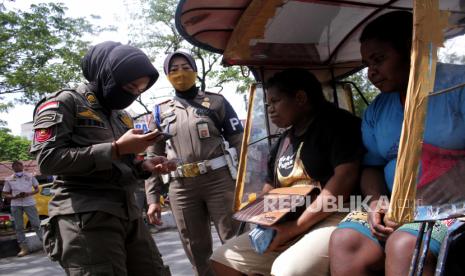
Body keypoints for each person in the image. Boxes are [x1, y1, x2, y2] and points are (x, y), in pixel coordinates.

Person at [329, 11, 465, 276]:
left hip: (455, 207)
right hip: (396, 205)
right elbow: (372, 166)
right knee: (345, 240)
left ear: (411, 49)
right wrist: (378, 202)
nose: (371, 73)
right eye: (367, 63)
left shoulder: (457, 87)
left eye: (379, 60)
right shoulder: (378, 110)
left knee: (405, 246)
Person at [30, 41, 176, 276]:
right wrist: (116, 148)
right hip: (86, 217)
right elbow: (48, 160)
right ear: (107, 74)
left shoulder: (122, 117)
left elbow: (123, 163)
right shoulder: (65, 103)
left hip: (128, 213)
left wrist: (145, 166)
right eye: (129, 86)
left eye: (140, 90)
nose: (133, 95)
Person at [210, 68, 364, 276]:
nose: (269, 110)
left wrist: (296, 227)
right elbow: (270, 187)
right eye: (267, 104)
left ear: (300, 98)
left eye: (275, 101)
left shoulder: (339, 124)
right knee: (223, 259)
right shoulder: (283, 140)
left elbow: (344, 180)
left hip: (336, 215)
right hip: (291, 220)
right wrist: (264, 221)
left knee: (286, 271)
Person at [145, 51, 243, 276]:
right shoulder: (160, 112)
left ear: (196, 70)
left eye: (185, 66)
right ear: (167, 76)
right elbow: (152, 159)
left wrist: (250, 181)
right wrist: (152, 199)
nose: (180, 73)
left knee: (235, 240)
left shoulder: (216, 102)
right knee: (195, 248)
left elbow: (240, 142)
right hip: (181, 188)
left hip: (219, 182)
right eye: (174, 69)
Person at [2, 161, 43, 257]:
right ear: (13, 168)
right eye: (15, 165)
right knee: (19, 227)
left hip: (29, 202)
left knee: (36, 224)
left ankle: (46, 244)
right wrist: (14, 197)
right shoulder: (9, 179)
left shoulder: (30, 176)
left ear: (22, 166)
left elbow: (37, 189)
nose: (17, 167)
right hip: (15, 204)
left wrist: (29, 193)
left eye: (19, 165)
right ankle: (24, 248)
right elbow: (4, 193)